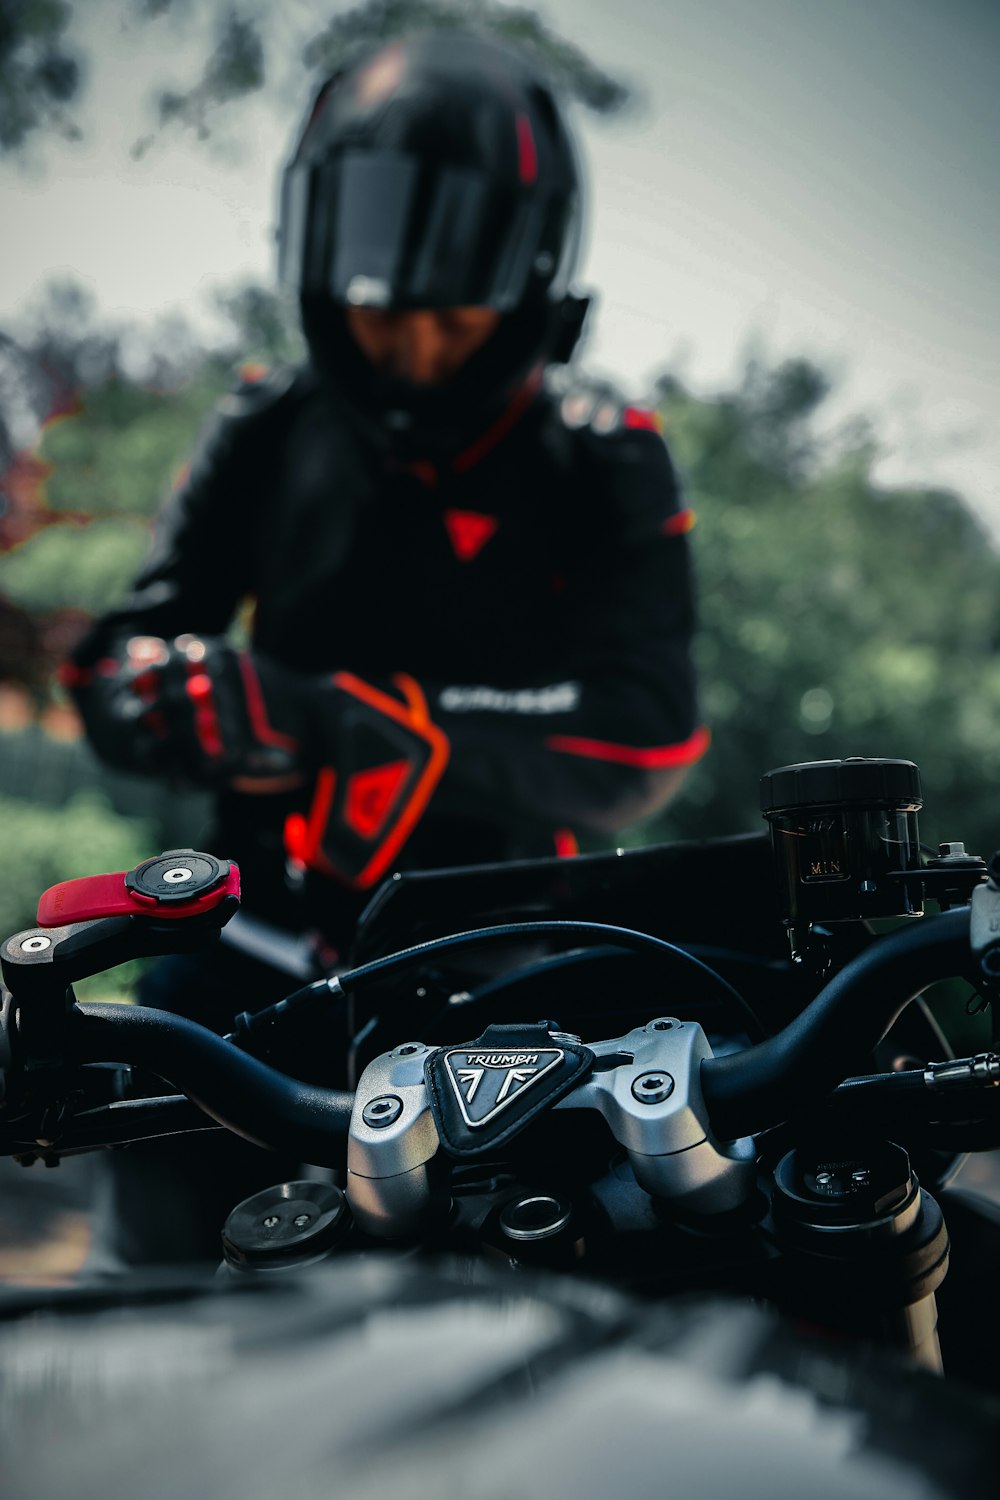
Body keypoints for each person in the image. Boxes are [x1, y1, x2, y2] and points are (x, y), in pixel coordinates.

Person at [63, 31, 706, 1259]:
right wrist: (156, 699)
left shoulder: (604, 451)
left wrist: (333, 716)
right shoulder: (262, 425)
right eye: (380, 314)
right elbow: (117, 657)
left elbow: (647, 733)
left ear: (526, 283)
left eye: (452, 319)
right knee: (140, 1301)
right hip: (246, 958)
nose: (411, 352)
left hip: (511, 967)